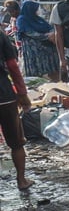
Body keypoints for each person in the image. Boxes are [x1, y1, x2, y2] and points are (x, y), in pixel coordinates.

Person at [0, 29, 31, 190]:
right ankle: (21, 180)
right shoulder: (1, 36)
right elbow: (12, 66)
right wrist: (22, 93)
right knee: (16, 142)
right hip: (4, 96)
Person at [16, 0, 59, 80]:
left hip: (47, 49)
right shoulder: (22, 19)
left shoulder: (38, 19)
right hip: (34, 51)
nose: (38, 10)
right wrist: (46, 36)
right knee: (37, 74)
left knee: (52, 70)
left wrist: (52, 34)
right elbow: (29, 33)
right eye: (36, 9)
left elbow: (50, 28)